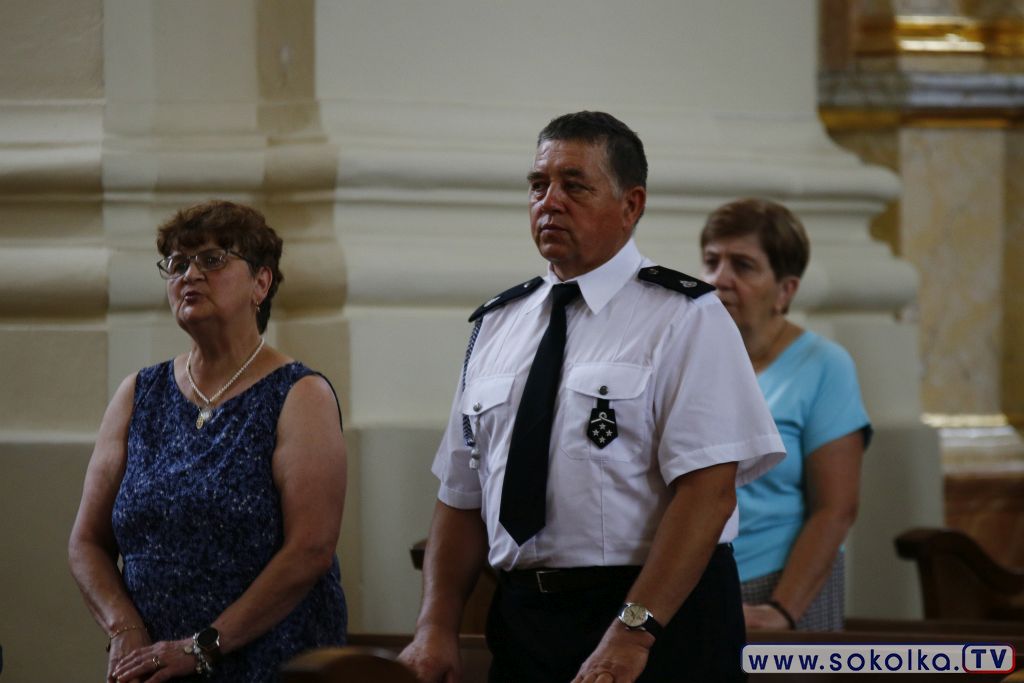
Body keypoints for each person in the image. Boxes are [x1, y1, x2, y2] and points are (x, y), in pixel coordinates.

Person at [398, 111, 784, 683]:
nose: (549, 202)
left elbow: (708, 494)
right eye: (538, 185)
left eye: (574, 186)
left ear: (631, 205)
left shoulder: (685, 316)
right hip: (527, 618)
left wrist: (632, 632)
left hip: (657, 616)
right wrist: (435, 626)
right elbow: (461, 496)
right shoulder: (497, 325)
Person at [68, 200, 348, 682]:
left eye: (212, 259)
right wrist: (124, 628)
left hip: (267, 663)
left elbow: (310, 550)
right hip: (153, 665)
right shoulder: (139, 394)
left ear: (261, 283)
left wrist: (202, 647)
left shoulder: (300, 395)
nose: (190, 275)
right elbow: (86, 542)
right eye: (177, 263)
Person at [699, 198, 872, 631]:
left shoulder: (824, 365)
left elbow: (835, 509)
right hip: (695, 581)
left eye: (743, 265)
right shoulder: (692, 359)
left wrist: (782, 610)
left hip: (781, 585)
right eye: (712, 261)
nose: (720, 279)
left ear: (785, 290)